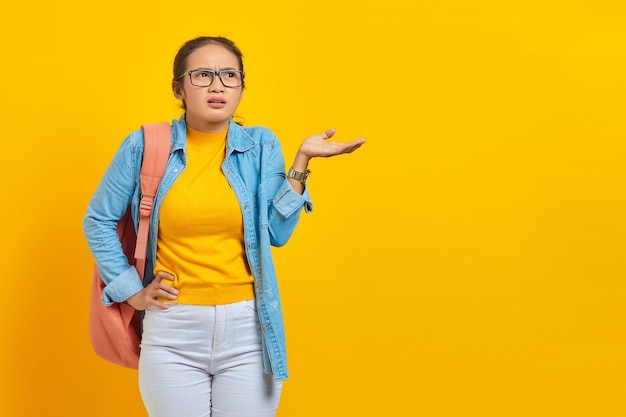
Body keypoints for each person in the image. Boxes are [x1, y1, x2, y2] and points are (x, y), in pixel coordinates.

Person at [82, 36, 365, 417]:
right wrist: (130, 292)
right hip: (173, 330)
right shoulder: (143, 146)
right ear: (178, 88)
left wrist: (301, 162)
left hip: (249, 329)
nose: (217, 85)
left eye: (229, 75)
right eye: (202, 75)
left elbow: (277, 233)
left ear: (241, 87)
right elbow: (98, 219)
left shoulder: (261, 146)